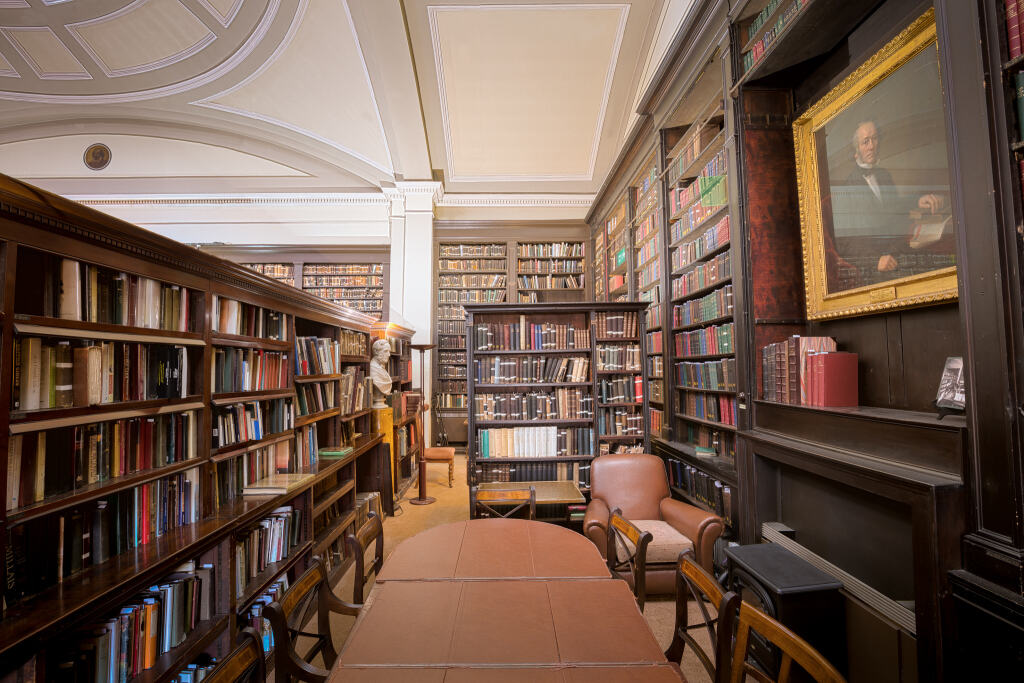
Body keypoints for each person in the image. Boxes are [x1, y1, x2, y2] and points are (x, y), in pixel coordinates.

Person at [831, 120, 946, 285]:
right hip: (875, 267)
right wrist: (875, 261)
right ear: (856, 151)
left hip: (896, 251)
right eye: (865, 142)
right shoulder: (847, 189)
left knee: (940, 268)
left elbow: (893, 206)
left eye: (874, 139)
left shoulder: (883, 175)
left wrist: (918, 200)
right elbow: (844, 243)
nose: (872, 146)